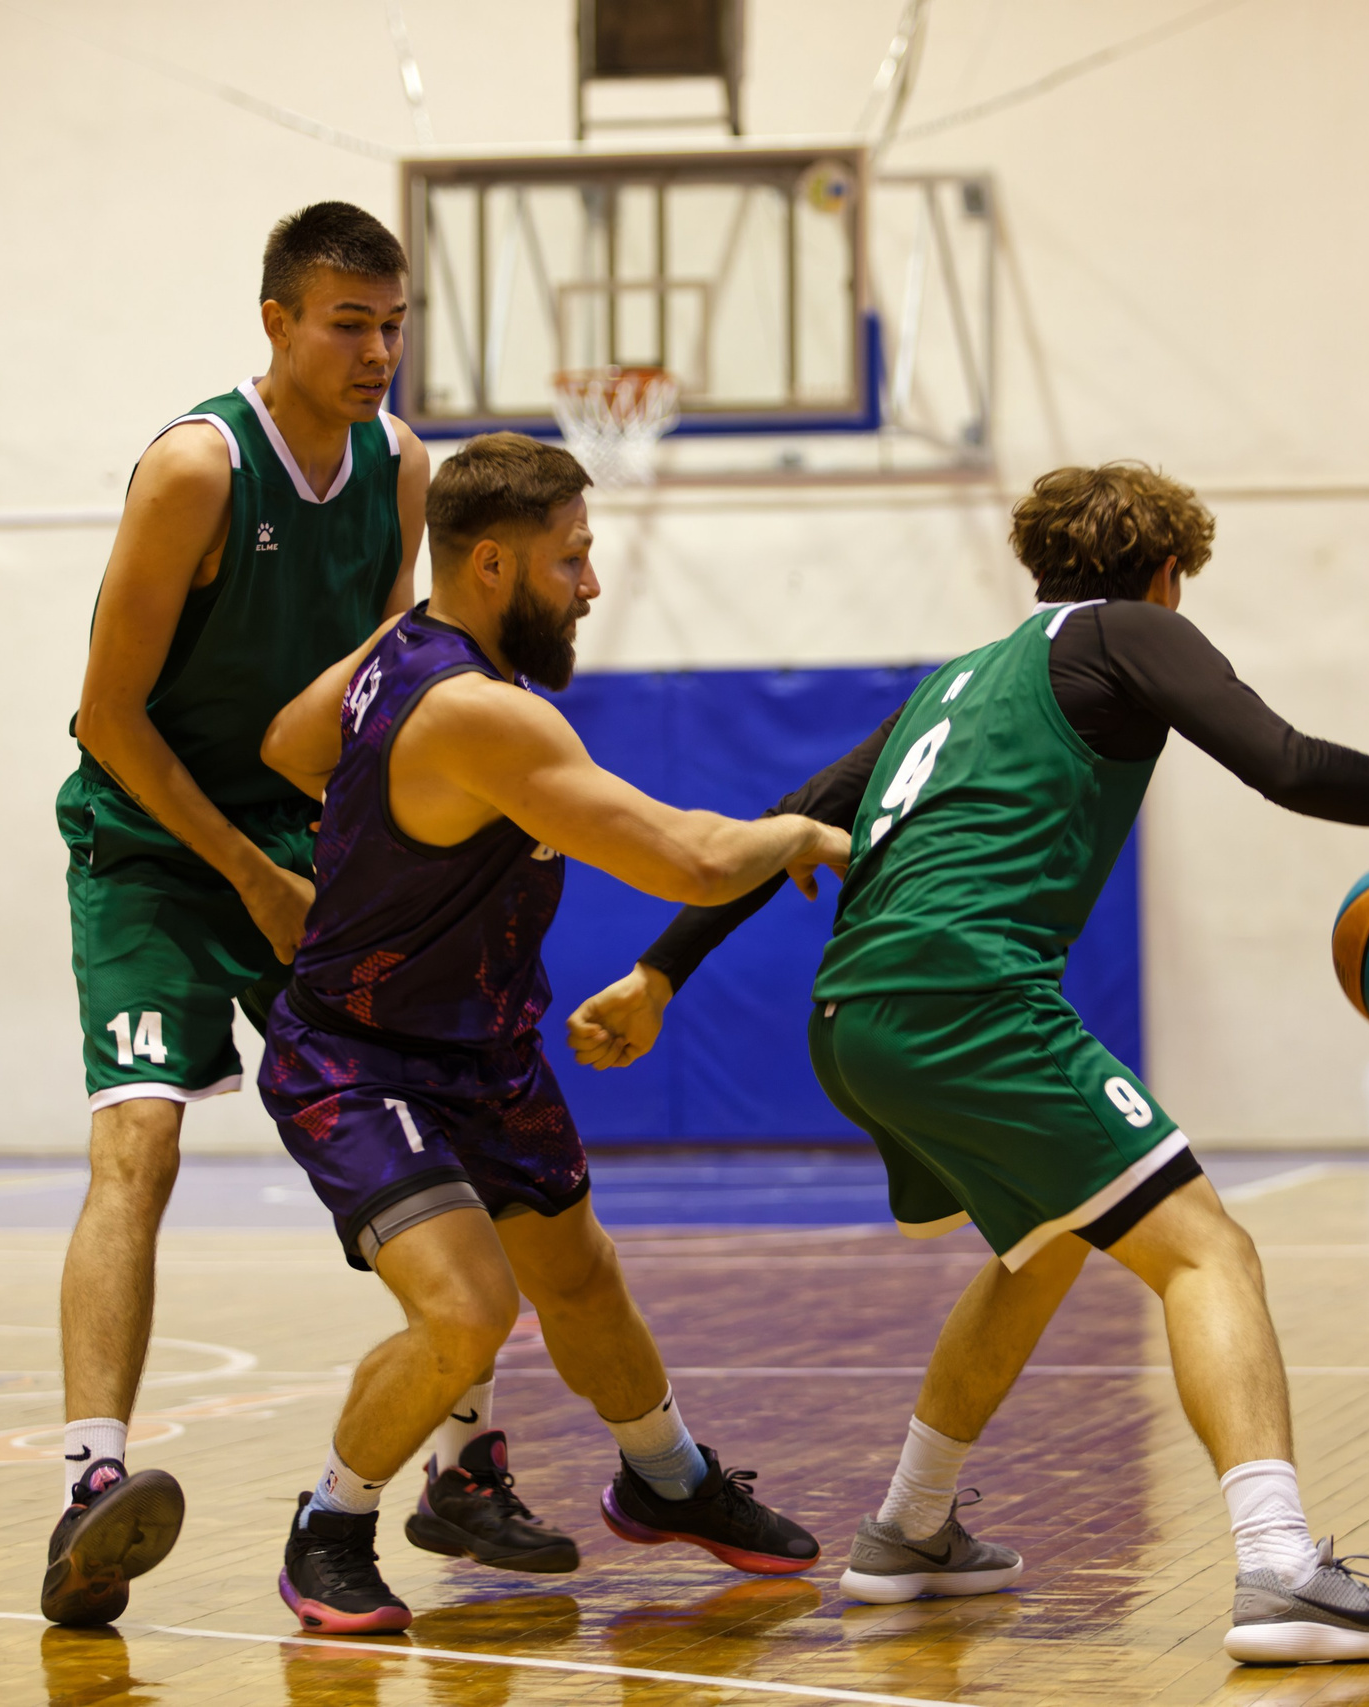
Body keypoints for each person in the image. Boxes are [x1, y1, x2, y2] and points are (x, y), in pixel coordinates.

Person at [569, 462, 1369, 1666]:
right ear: (1165, 573)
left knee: (1047, 1242)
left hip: (852, 1014)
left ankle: (910, 1528)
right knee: (1210, 1253)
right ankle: (1281, 1568)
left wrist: (660, 972)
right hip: (966, 997)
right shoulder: (1132, 631)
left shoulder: (957, 681)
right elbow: (1280, 761)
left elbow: (790, 812)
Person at [252, 433, 847, 1635]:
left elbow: (290, 747)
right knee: (468, 1309)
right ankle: (329, 1528)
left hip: (484, 1049)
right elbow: (689, 860)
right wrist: (799, 834)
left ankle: (668, 1478)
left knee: (581, 1279)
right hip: (359, 1061)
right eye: (571, 558)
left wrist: (391, 835)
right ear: (490, 565)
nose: (590, 583)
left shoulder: (404, 655)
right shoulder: (481, 714)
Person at [45, 202, 429, 1627]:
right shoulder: (196, 468)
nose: (377, 352)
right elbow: (107, 715)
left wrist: (366, 856)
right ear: (276, 321)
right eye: (349, 324)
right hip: (148, 837)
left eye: (394, 325)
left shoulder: (400, 467)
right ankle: (90, 1483)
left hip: (295, 835)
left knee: (419, 1119)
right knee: (139, 1141)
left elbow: (378, 684)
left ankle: (466, 1455)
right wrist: (248, 872)